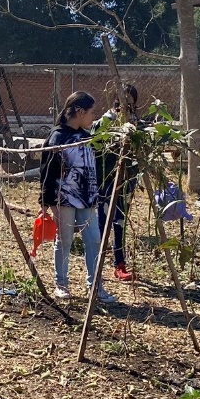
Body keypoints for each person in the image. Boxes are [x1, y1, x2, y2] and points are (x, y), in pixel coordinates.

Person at [39, 91, 117, 304]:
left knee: (93, 240)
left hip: (88, 199)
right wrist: (48, 203)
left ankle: (96, 286)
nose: (93, 116)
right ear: (80, 112)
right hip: (63, 199)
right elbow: (47, 171)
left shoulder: (87, 136)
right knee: (64, 241)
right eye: (91, 112)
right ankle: (61, 284)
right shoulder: (58, 137)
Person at [92, 83, 141, 282]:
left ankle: (119, 264)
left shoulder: (134, 121)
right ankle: (97, 263)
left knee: (120, 221)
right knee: (103, 221)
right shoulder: (107, 119)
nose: (127, 103)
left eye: (131, 99)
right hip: (107, 176)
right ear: (116, 99)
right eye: (124, 98)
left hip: (127, 178)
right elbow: (94, 138)